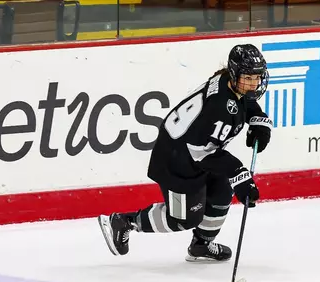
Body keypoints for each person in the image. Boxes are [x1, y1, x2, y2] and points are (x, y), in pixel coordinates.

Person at [97, 44, 273, 262]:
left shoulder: (228, 82)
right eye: (248, 78)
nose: (254, 84)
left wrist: (258, 119)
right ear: (236, 74)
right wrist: (239, 173)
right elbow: (201, 152)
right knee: (183, 219)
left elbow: (243, 102)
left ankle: (201, 245)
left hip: (196, 154)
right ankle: (125, 221)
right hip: (177, 163)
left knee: (222, 191)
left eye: (257, 77)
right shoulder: (219, 106)